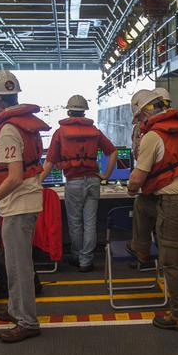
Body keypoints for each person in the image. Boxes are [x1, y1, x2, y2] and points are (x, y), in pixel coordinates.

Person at [0, 69, 50, 343]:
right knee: (17, 263)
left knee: (18, 266)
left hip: (18, 206)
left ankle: (27, 322)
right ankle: (17, 309)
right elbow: (31, 171)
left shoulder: (7, 131)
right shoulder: (24, 126)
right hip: (23, 203)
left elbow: (15, 176)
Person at [126, 87, 178, 332]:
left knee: (171, 261)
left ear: (144, 115)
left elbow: (138, 179)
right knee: (143, 203)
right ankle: (140, 249)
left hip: (173, 203)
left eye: (138, 118)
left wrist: (129, 187)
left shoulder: (152, 136)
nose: (138, 122)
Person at [39, 94, 117, 272]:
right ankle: (86, 261)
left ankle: (77, 256)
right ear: (84, 113)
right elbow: (112, 152)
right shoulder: (95, 132)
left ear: (68, 111)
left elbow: (49, 163)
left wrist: (36, 183)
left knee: (75, 223)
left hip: (73, 182)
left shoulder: (60, 133)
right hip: (93, 182)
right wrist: (105, 174)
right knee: (90, 222)